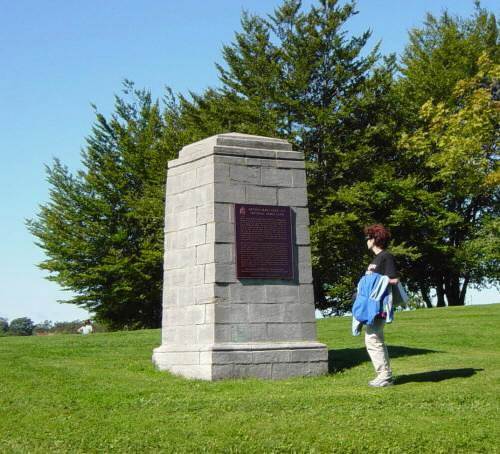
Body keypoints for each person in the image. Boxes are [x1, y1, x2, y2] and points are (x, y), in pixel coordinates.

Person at [357, 224, 400, 387]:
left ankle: (384, 375)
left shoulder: (385, 257)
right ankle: (384, 374)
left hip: (379, 306)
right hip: (370, 305)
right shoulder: (376, 259)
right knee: (375, 338)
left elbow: (394, 279)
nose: (366, 241)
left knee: (373, 339)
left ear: (375, 239)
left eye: (367, 237)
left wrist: (374, 281)